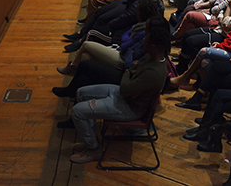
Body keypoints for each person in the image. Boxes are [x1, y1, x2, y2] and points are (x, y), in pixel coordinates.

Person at [67, 16, 170, 164]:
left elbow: (125, 87)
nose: (143, 41)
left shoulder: (153, 72)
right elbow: (131, 76)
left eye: (146, 40)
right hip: (126, 97)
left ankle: (93, 149)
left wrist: (129, 73)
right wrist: (130, 74)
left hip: (130, 108)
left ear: (153, 45)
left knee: (77, 111)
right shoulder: (151, 57)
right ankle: (91, 139)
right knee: (80, 93)